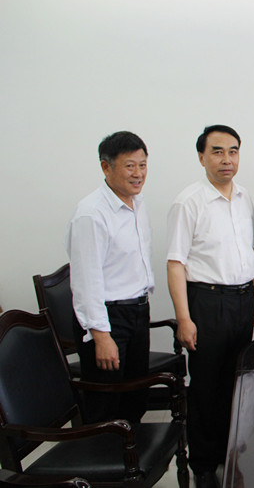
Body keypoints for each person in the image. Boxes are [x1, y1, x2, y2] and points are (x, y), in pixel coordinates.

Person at [166, 125, 254, 488]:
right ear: (202, 157)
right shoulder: (189, 201)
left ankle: (229, 451)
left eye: (233, 151)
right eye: (218, 151)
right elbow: (175, 263)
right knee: (206, 385)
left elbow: (250, 249)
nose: (227, 159)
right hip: (207, 301)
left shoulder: (244, 196)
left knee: (236, 382)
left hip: (242, 300)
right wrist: (184, 319)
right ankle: (204, 465)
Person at [66, 131, 154, 424]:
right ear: (106, 167)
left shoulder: (137, 203)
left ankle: (133, 452)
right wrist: (101, 336)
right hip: (108, 318)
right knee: (106, 404)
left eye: (142, 165)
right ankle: (101, 454)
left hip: (137, 312)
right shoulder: (91, 214)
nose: (138, 173)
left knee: (135, 398)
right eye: (130, 166)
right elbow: (86, 281)